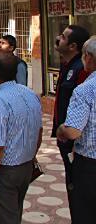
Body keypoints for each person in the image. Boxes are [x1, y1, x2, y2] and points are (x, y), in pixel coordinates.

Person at [0, 54, 43, 224]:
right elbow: (39, 131)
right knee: (14, 214)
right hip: (26, 166)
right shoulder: (30, 94)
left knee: (5, 218)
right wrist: (32, 156)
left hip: (6, 171)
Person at [56, 36, 96, 223]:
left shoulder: (86, 89)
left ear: (88, 57)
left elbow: (73, 131)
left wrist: (61, 129)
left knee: (85, 213)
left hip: (89, 166)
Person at [50, 25, 90, 203]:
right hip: (65, 137)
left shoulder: (81, 70)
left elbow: (84, 110)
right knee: (71, 182)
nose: (58, 38)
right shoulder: (66, 65)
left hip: (76, 140)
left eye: (64, 37)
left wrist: (72, 138)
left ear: (73, 46)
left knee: (79, 187)